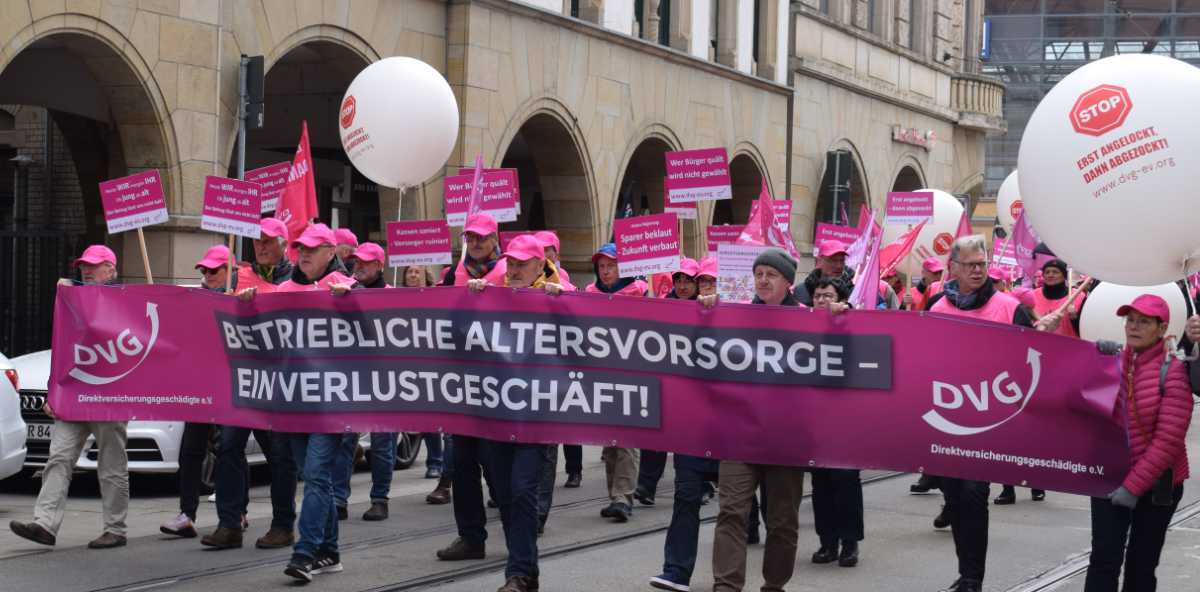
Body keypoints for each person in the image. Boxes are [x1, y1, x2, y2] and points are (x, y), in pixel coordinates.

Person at [924, 235, 1043, 592]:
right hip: (948, 416)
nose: (978, 270)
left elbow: (1032, 357)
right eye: (971, 265)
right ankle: (966, 570)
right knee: (954, 497)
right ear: (953, 268)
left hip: (990, 419)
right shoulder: (936, 309)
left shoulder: (1009, 308)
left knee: (974, 495)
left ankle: (972, 578)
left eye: (982, 264)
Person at [237, 223, 354, 582]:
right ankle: (330, 551)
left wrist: (352, 305)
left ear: (330, 252)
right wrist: (247, 308)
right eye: (301, 247)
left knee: (316, 475)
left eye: (313, 248)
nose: (304, 253)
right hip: (295, 402)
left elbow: (375, 333)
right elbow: (257, 336)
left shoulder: (348, 288)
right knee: (315, 478)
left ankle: (305, 553)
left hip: (333, 404)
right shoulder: (283, 291)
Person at [463, 233, 567, 592]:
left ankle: (518, 572)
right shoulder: (493, 294)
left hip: (537, 417)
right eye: (512, 262)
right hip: (499, 413)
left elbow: (587, 334)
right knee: (506, 494)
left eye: (523, 263)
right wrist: (472, 299)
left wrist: (562, 305)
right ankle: (526, 569)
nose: (515, 269)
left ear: (540, 264)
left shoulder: (560, 292)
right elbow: (457, 333)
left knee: (523, 490)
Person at [9, 245, 129, 550]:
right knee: (59, 457)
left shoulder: (124, 300)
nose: (86, 270)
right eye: (83, 266)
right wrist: (54, 391)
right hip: (76, 395)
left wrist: (71, 287)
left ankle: (115, 528)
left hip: (109, 396)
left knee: (111, 464)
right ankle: (45, 524)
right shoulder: (72, 301)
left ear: (111, 270)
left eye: (93, 265)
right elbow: (63, 350)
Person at [711, 248, 809, 592]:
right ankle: (726, 586)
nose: (763, 280)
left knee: (782, 521)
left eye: (771, 274)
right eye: (759, 274)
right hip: (739, 434)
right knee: (731, 512)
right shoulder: (736, 317)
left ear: (788, 282)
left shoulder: (808, 320)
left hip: (786, 438)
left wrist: (838, 317)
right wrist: (705, 312)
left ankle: (774, 584)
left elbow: (841, 355)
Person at [202, 218, 299, 551]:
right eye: (257, 241)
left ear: (283, 245)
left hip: (280, 384)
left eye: (268, 241)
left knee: (280, 455)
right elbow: (211, 312)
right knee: (228, 447)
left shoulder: (296, 280)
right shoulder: (237, 277)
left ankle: (283, 525)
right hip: (243, 381)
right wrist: (232, 304)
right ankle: (229, 523)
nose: (261, 246)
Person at [1084, 294, 1192, 592]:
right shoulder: (1113, 361)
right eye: (1130, 320)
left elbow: (1168, 440)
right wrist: (1095, 362)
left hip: (1157, 487)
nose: (1133, 327)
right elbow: (1085, 407)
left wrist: (1133, 487)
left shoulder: (1173, 371)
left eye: (1144, 322)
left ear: (1162, 328)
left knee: (1141, 565)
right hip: (1111, 478)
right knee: (1103, 560)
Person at [436, 213, 507, 559]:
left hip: (501, 386)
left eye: (482, 237)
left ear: (495, 239)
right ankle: (470, 537)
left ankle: (517, 530)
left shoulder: (509, 270)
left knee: (497, 467)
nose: (476, 243)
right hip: (463, 385)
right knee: (463, 465)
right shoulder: (455, 273)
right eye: (471, 238)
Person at [160, 245, 236, 539]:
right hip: (201, 385)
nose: (208, 275)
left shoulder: (243, 297)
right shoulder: (193, 299)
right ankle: (187, 514)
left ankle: (237, 511)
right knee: (191, 449)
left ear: (230, 271)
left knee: (231, 449)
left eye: (214, 270)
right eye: (204, 270)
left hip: (232, 386)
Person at [330, 242, 399, 522]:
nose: (358, 266)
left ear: (380, 265)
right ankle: (338, 499)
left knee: (382, 443)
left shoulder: (393, 296)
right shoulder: (345, 292)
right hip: (352, 378)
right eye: (356, 261)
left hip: (385, 379)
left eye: (365, 262)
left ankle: (380, 499)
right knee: (345, 439)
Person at [587, 243, 649, 522]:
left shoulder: (640, 292)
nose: (606, 271)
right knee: (610, 440)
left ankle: (624, 497)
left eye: (611, 266)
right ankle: (615, 495)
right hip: (602, 375)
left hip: (632, 374)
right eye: (602, 266)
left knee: (627, 439)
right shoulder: (590, 294)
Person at [807, 277, 865, 568]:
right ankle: (827, 542)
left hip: (845, 418)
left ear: (840, 299)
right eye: (817, 295)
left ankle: (850, 542)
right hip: (815, 418)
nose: (821, 300)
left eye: (828, 295)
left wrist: (846, 316)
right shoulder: (804, 326)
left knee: (845, 480)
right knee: (821, 482)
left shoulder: (851, 324)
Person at [636, 258, 700, 508]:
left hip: (695, 384)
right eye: (678, 280)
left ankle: (702, 484)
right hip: (667, 380)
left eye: (688, 281)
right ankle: (646, 485)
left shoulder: (706, 307)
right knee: (656, 432)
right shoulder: (663, 305)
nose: (682, 286)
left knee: (692, 436)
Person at [400, 264, 448, 480]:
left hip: (429, 365)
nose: (412, 275)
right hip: (403, 365)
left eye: (417, 271)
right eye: (409, 271)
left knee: (429, 417)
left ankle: (436, 461)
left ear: (426, 276)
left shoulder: (435, 299)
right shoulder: (394, 298)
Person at [794, 240, 852, 306]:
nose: (839, 266)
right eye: (833, 260)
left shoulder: (854, 292)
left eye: (842, 260)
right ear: (819, 261)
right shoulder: (802, 291)